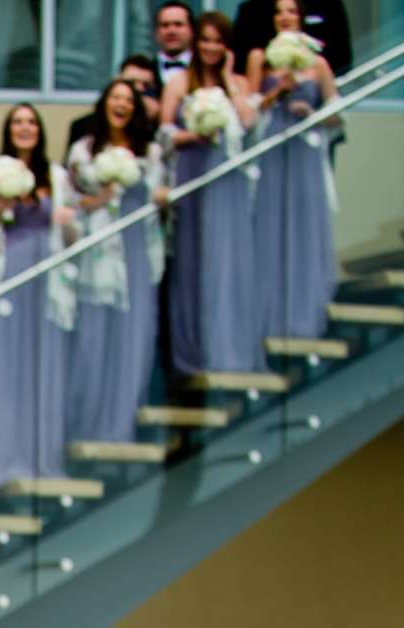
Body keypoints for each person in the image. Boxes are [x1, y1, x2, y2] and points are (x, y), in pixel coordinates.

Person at [0, 103, 80, 489]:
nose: (24, 128)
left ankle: (39, 459)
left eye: (31, 122)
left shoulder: (57, 177)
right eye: (17, 122)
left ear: (41, 130)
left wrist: (68, 223)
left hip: (46, 274)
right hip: (8, 269)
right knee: (4, 366)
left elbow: (75, 236)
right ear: (7, 130)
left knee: (42, 367)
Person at [160, 10, 260, 378]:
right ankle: (192, 354)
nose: (211, 47)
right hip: (191, 172)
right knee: (191, 260)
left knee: (228, 259)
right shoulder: (179, 84)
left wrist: (232, 84)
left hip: (228, 179)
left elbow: (249, 122)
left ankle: (229, 347)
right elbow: (165, 135)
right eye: (205, 40)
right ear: (195, 42)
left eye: (218, 41)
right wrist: (195, 135)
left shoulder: (237, 82)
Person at [66, 79, 164, 444]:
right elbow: (72, 202)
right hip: (98, 246)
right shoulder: (83, 150)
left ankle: (121, 424)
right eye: (114, 98)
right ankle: (87, 421)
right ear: (104, 104)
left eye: (128, 100)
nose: (120, 104)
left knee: (132, 334)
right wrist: (102, 195)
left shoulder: (149, 152)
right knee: (93, 337)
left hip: (135, 243)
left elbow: (156, 195)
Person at [248, 0, 341, 343]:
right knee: (269, 223)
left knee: (304, 224)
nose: (285, 17)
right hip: (272, 143)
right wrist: (276, 93)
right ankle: (265, 316)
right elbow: (250, 107)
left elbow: (337, 112)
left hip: (305, 148)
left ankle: (302, 315)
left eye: (291, 11)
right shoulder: (260, 57)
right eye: (279, 11)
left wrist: (310, 113)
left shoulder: (317, 62)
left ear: (301, 18)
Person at [67, 51, 162, 147]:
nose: (138, 89)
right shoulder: (83, 126)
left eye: (146, 86)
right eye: (132, 82)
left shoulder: (154, 126)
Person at [233, 0, 350, 75]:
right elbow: (240, 64)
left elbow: (342, 56)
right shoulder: (251, 10)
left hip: (318, 93)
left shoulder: (328, 4)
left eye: (292, 12)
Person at [154, 1, 196, 79]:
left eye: (178, 24)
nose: (171, 31)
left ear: (192, 30)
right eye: (165, 25)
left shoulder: (204, 71)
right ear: (156, 32)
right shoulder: (146, 70)